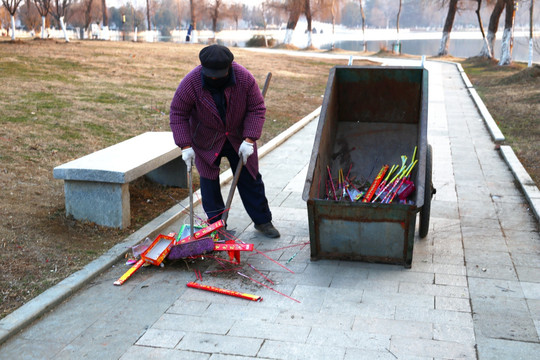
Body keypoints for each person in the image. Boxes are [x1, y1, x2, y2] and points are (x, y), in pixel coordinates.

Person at [169, 44, 280, 238]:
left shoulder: (244, 78)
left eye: (219, 74)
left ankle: (263, 221)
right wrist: (185, 145)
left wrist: (249, 139)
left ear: (230, 66)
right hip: (206, 138)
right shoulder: (191, 82)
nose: (214, 78)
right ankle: (216, 227)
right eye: (210, 74)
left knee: (250, 178)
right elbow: (178, 112)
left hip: (239, 137)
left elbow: (257, 108)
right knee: (209, 182)